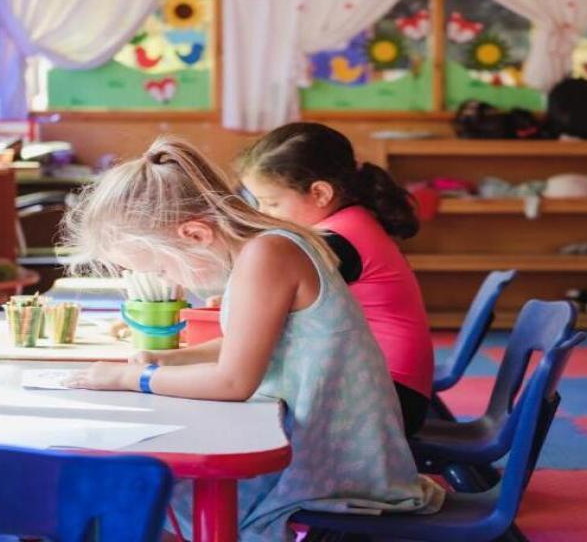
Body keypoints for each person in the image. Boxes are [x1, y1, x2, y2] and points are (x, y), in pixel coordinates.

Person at [62, 137, 443, 541]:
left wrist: (129, 379)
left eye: (159, 269)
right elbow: (254, 345)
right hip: (326, 441)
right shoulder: (266, 246)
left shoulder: (268, 255)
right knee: (140, 490)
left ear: (195, 234)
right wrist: (170, 360)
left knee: (140, 494)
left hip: (337, 460)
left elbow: (233, 382)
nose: (166, 280)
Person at [236, 122, 434, 436]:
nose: (263, 214)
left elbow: (269, 308)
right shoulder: (351, 222)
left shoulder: (337, 240)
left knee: (243, 395)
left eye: (272, 203)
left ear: (320, 193)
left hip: (388, 397)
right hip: (391, 386)